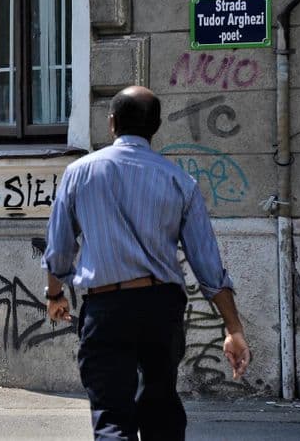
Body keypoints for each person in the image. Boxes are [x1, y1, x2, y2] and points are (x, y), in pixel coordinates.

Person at [42, 86, 251, 440]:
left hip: (106, 306)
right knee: (162, 409)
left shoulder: (78, 173)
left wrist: (54, 293)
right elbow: (208, 266)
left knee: (111, 414)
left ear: (112, 124)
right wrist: (234, 329)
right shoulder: (180, 182)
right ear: (155, 127)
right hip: (161, 308)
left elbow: (60, 247)